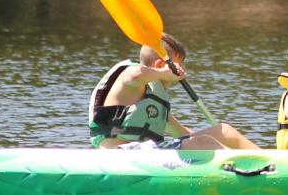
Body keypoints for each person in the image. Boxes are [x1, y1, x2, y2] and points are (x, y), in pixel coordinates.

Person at [89, 33, 258, 150]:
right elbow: (135, 75)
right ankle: (247, 171)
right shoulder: (132, 76)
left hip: (147, 154)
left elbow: (183, 134)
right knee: (203, 143)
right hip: (119, 154)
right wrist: (164, 72)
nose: (180, 71)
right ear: (160, 65)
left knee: (223, 131)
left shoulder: (154, 100)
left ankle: (273, 163)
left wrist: (217, 136)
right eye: (177, 65)